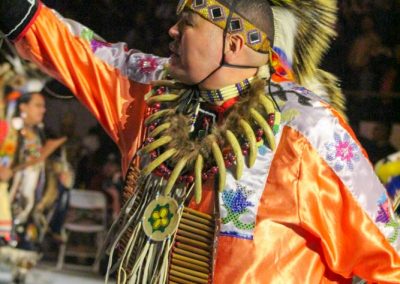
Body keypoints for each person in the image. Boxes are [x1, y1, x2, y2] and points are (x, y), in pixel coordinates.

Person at [1, 0, 400, 283]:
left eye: (189, 22)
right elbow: (77, 50)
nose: (172, 30)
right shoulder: (150, 93)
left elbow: (389, 257)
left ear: (234, 43)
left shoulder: (308, 130)